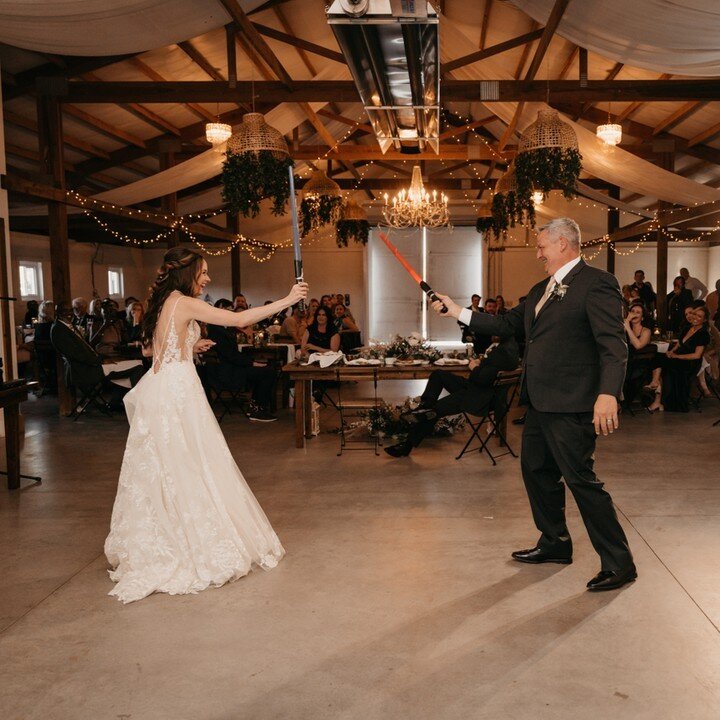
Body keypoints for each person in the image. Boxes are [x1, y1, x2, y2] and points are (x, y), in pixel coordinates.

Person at [430, 217, 636, 592]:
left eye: (542, 246)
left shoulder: (597, 284)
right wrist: (457, 311)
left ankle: (620, 563)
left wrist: (608, 393)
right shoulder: (542, 288)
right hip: (540, 401)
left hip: (574, 400)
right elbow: (507, 325)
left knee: (581, 480)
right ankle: (555, 542)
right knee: (536, 472)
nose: (538, 253)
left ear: (563, 244)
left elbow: (613, 344)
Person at [104, 247, 308, 603]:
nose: (208, 278)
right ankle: (189, 546)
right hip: (178, 392)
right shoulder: (182, 301)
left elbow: (153, 351)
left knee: (170, 465)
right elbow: (238, 321)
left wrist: (190, 344)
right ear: (187, 274)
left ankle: (167, 535)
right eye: (204, 271)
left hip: (162, 387)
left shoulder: (164, 301)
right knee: (194, 463)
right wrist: (288, 299)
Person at [384, 335, 520, 457]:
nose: (490, 331)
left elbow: (483, 378)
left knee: (433, 411)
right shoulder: (507, 348)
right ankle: (424, 406)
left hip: (480, 398)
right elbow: (489, 373)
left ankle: (407, 445)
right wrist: (481, 363)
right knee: (438, 375)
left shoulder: (504, 353)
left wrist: (475, 367)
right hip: (476, 389)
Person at [206, 300, 279, 422]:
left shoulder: (227, 327)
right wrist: (252, 363)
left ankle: (256, 406)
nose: (230, 312)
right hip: (227, 371)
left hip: (234, 366)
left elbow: (234, 354)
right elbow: (230, 355)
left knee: (267, 369)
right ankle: (257, 409)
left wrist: (251, 362)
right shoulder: (215, 328)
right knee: (267, 372)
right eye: (228, 309)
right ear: (219, 309)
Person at [646, 305, 710, 413]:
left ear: (704, 320)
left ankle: (655, 389)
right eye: (694, 314)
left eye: (699, 316)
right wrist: (672, 351)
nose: (694, 317)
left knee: (660, 362)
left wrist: (677, 356)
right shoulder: (687, 328)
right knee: (658, 357)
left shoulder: (703, 334)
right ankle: (655, 383)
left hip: (690, 364)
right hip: (678, 359)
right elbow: (679, 344)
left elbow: (697, 355)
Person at [622, 301, 654, 408]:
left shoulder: (646, 331)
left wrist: (627, 325)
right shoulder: (624, 328)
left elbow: (638, 345)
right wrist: (626, 325)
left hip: (640, 363)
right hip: (625, 361)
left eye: (638, 312)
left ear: (642, 317)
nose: (634, 314)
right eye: (633, 311)